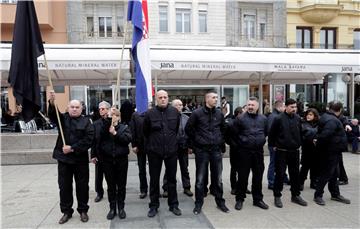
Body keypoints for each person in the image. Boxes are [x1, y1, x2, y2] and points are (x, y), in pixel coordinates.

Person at [48, 97, 94, 224]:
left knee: (83, 186)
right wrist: (52, 103)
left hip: (80, 160)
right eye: (72, 107)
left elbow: (89, 139)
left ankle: (83, 210)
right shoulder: (62, 118)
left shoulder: (86, 122)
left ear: (81, 109)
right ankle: (66, 211)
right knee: (64, 186)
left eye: (77, 107)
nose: (74, 109)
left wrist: (73, 148)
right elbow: (53, 115)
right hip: (64, 159)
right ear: (67, 108)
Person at [185, 91, 229, 215]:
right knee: (200, 179)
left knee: (218, 179)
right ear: (207, 99)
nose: (216, 100)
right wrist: (197, 142)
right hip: (202, 151)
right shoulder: (197, 113)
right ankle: (198, 203)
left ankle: (220, 202)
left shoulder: (219, 114)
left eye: (216, 98)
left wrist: (220, 140)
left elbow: (223, 129)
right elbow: (188, 129)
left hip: (215, 150)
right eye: (213, 98)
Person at [143, 90, 182, 217]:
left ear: (168, 98)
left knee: (172, 180)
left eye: (165, 97)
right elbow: (146, 132)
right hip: (155, 152)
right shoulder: (149, 114)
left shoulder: (175, 112)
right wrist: (150, 147)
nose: (163, 99)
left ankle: (174, 204)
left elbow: (176, 130)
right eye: (160, 97)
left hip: (171, 151)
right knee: (154, 180)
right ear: (156, 99)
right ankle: (153, 206)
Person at [91, 107, 132, 219]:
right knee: (111, 186)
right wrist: (109, 122)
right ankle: (112, 208)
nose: (114, 117)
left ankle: (121, 207)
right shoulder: (105, 128)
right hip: (107, 161)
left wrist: (115, 133)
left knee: (121, 185)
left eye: (116, 115)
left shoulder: (125, 128)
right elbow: (99, 139)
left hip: (121, 161)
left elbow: (127, 140)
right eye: (111, 115)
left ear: (119, 117)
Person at [269, 98, 307, 208]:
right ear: (286, 107)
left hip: (295, 151)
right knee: (280, 175)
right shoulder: (278, 118)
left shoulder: (297, 118)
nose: (294, 109)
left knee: (295, 175)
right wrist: (273, 147)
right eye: (292, 107)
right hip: (281, 151)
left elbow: (301, 132)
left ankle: (295, 195)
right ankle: (277, 196)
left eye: (295, 107)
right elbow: (272, 134)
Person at [233, 97, 269, 210]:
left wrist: (260, 140)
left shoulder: (263, 119)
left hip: (258, 152)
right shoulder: (240, 119)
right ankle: (239, 199)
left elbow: (266, 132)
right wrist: (241, 144)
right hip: (244, 152)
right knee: (243, 176)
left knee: (258, 176)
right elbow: (233, 135)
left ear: (258, 106)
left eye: (253, 105)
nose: (250, 107)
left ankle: (257, 199)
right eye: (248, 105)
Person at [313, 101, 351, 206]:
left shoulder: (327, 117)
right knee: (326, 173)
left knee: (334, 173)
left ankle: (335, 194)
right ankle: (318, 195)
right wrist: (318, 142)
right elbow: (325, 135)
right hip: (330, 151)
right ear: (340, 110)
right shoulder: (332, 120)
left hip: (333, 150)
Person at [162, 99, 193, 197]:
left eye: (180, 105)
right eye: (177, 105)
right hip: (171, 148)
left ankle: (187, 187)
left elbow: (190, 133)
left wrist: (190, 146)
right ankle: (166, 188)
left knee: (185, 168)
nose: (179, 107)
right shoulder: (167, 118)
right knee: (169, 169)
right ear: (172, 106)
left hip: (183, 147)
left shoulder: (186, 118)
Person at [91, 102, 110, 204]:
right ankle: (99, 193)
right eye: (100, 109)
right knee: (99, 176)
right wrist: (93, 155)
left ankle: (112, 191)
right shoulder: (95, 124)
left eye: (103, 109)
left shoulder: (112, 121)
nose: (101, 111)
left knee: (110, 175)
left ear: (108, 109)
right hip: (99, 154)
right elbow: (93, 140)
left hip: (110, 154)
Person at [266, 100, 287, 190]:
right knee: (273, 163)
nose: (285, 108)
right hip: (274, 145)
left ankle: (284, 178)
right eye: (284, 106)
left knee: (280, 162)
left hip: (278, 144)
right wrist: (274, 144)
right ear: (280, 107)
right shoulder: (274, 117)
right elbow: (271, 132)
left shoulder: (277, 116)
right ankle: (271, 182)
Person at [299, 108, 320, 190]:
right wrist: (315, 135)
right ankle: (300, 183)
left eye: (311, 115)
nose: (308, 116)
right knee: (304, 167)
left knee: (315, 167)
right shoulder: (303, 123)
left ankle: (313, 182)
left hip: (316, 149)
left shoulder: (318, 124)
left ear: (315, 116)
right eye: (307, 114)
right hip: (307, 149)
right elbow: (306, 134)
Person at [224, 106, 243, 195]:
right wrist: (233, 144)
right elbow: (227, 137)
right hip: (235, 149)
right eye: (242, 113)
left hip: (243, 149)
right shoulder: (230, 124)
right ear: (238, 114)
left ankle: (243, 186)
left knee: (243, 169)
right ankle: (234, 187)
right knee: (234, 169)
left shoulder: (244, 122)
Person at [130, 109, 148, 199]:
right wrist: (134, 145)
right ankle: (143, 190)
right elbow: (132, 130)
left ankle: (154, 190)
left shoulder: (152, 113)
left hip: (152, 145)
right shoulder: (135, 115)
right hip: (140, 145)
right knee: (142, 169)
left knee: (154, 170)